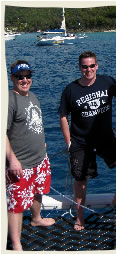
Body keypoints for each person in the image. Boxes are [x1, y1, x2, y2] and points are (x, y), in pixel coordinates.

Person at [58, 51, 116, 231]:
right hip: (81, 142)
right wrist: (69, 143)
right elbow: (63, 116)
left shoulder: (108, 82)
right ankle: (80, 216)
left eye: (91, 66)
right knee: (81, 180)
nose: (88, 70)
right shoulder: (70, 90)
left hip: (105, 138)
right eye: (84, 66)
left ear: (97, 66)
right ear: (79, 67)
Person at [6, 60, 55, 250]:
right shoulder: (10, 100)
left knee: (38, 191)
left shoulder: (33, 96)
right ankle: (17, 244)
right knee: (16, 205)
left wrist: (41, 142)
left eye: (27, 76)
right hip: (21, 163)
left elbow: (34, 123)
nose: (25, 80)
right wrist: (12, 159)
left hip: (39, 158)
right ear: (12, 78)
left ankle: (36, 218)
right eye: (20, 77)